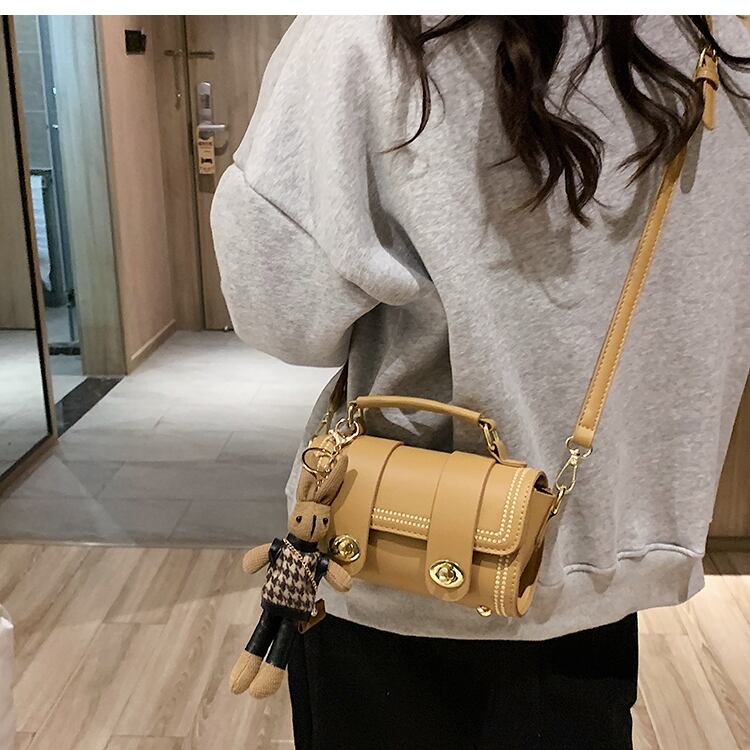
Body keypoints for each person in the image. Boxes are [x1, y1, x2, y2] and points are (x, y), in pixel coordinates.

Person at [210, 15, 750, 750]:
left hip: (389, 575)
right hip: (596, 571)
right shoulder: (717, 43)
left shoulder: (371, 34)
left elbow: (279, 313)